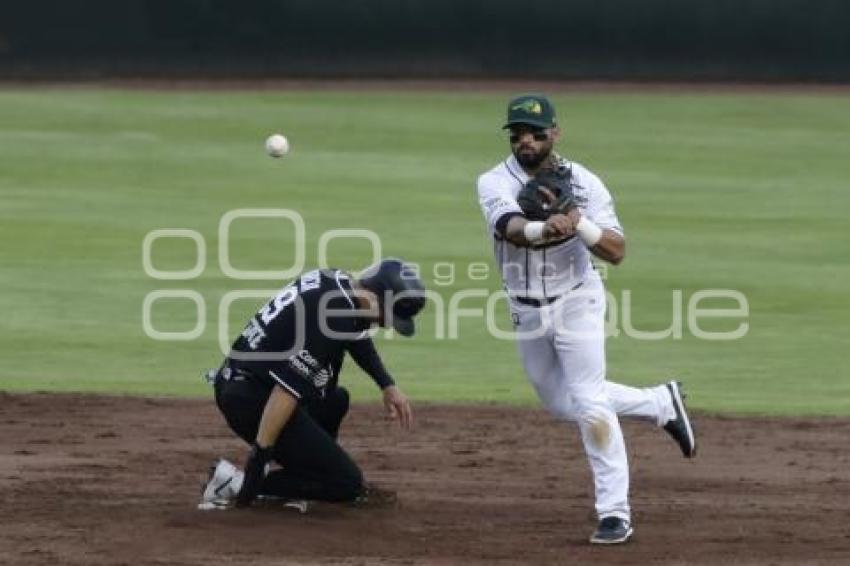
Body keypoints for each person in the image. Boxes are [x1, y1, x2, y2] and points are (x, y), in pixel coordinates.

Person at [476, 94, 697, 544]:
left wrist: (578, 223)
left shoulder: (586, 183)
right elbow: (511, 229)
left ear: (555, 133)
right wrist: (546, 227)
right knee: (562, 403)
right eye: (517, 134)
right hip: (523, 307)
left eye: (535, 133)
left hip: (578, 301)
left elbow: (616, 251)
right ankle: (659, 403)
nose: (526, 141)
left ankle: (615, 513)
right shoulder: (493, 181)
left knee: (590, 400)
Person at [199, 258, 427, 510]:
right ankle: (233, 483)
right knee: (346, 483)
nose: (386, 324)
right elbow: (284, 393)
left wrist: (387, 384)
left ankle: (303, 480)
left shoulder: (337, 283)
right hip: (249, 400)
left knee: (335, 400)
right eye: (387, 314)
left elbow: (354, 334)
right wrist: (259, 457)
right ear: (374, 295)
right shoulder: (332, 318)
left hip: (244, 380)